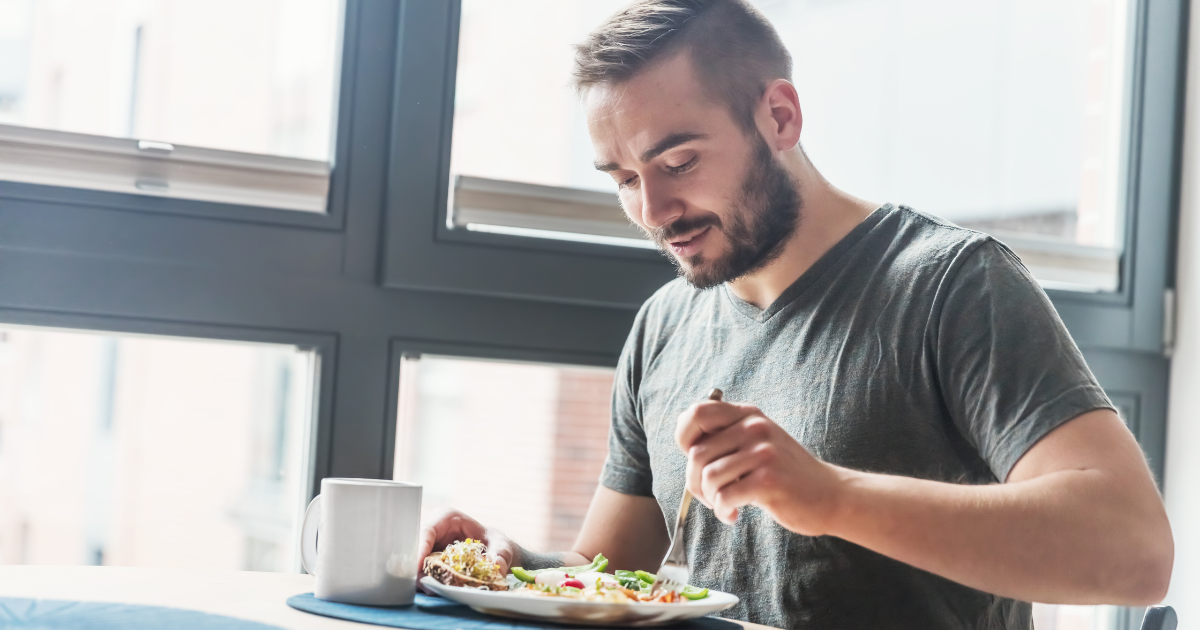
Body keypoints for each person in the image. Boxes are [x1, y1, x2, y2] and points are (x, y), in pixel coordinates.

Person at [418, 1, 1174, 627]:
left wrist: (831, 497)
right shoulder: (663, 325)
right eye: (623, 178)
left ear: (779, 116)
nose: (653, 211)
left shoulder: (953, 284)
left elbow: (1134, 550)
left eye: (678, 162)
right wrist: (512, 565)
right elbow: (612, 575)